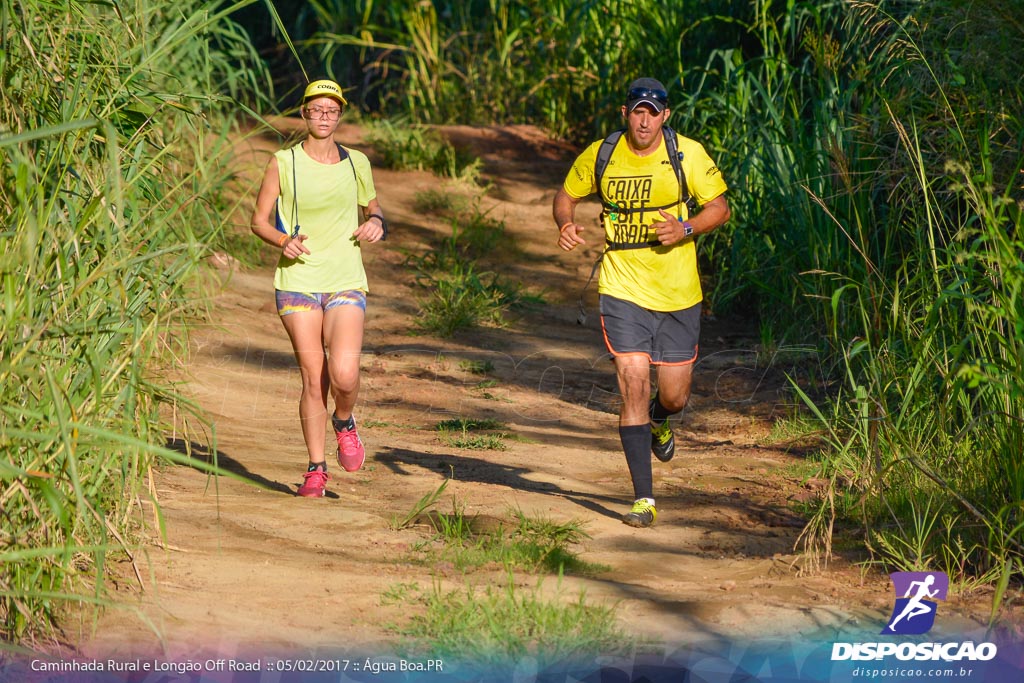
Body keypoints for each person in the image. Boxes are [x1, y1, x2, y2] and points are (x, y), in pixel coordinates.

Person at [553, 77, 730, 528]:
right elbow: (566, 195)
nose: (645, 119)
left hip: (678, 292)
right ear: (626, 113)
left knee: (674, 395)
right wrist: (565, 223)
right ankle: (643, 499)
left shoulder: (687, 153)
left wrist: (686, 228)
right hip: (622, 287)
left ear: (665, 116)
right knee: (632, 380)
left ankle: (660, 420)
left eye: (653, 112)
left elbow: (720, 207)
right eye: (638, 110)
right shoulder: (603, 153)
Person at [250, 79, 387, 497]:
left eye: (332, 111)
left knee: (344, 375)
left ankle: (344, 421)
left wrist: (377, 222)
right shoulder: (283, 162)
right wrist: (281, 240)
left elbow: (373, 205)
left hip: (345, 279)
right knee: (314, 379)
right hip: (298, 281)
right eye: (317, 110)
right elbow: (259, 220)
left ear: (339, 116)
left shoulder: (356, 162)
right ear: (304, 113)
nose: (324, 117)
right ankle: (316, 469)